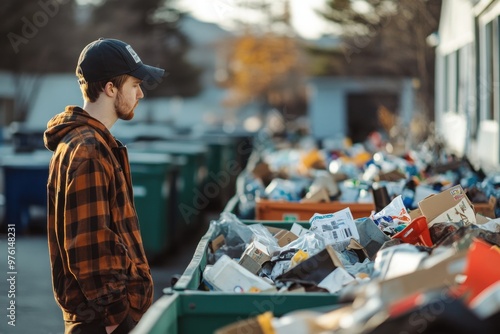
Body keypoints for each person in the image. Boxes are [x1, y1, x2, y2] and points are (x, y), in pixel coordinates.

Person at [43, 38, 165, 334]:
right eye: (135, 84)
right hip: (102, 322)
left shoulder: (84, 142)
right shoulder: (89, 149)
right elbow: (88, 242)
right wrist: (114, 318)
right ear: (111, 88)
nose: (141, 93)